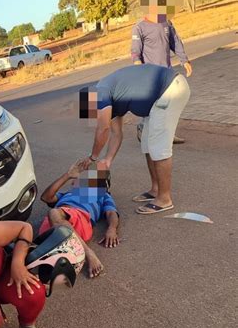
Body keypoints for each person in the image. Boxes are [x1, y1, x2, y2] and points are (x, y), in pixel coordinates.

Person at [78, 63, 190, 215]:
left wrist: (93, 157)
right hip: (161, 96)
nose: (96, 117)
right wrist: (107, 160)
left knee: (158, 147)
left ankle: (164, 198)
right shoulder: (109, 97)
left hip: (170, 90)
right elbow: (116, 133)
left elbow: (103, 128)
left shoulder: (99, 93)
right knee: (147, 144)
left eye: (94, 113)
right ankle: (155, 189)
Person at [131, 0, 192, 148]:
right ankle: (143, 127)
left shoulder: (166, 23)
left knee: (170, 102)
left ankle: (168, 134)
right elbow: (135, 51)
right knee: (152, 105)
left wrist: (184, 60)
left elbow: (175, 42)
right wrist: (138, 67)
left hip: (167, 72)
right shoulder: (139, 27)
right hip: (150, 74)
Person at [40, 161, 119, 278]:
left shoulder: (103, 195)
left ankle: (87, 253)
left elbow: (111, 212)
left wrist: (112, 228)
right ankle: (62, 255)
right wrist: (67, 175)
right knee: (39, 248)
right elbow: (46, 197)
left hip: (78, 220)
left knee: (54, 212)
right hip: (55, 221)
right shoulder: (69, 193)